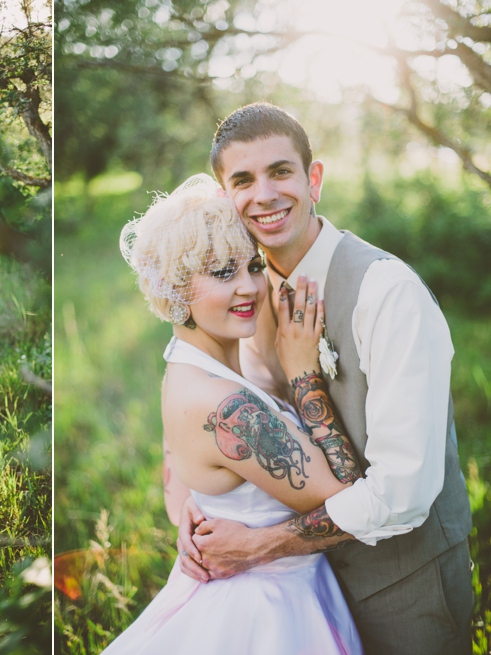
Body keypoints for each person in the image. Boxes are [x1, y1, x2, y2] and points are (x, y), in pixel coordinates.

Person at [176, 103, 473, 654]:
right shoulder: (244, 296)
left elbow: (403, 494)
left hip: (403, 588)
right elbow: (205, 410)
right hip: (305, 597)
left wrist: (260, 545)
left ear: (313, 179)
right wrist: (199, 514)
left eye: (280, 171)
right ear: (225, 199)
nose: (263, 195)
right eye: (243, 180)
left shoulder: (388, 293)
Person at [104, 173, 363, 654]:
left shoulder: (185, 361)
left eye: (252, 265)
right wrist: (304, 374)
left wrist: (193, 519)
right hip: (266, 614)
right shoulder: (224, 406)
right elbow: (351, 504)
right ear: (178, 287)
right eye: (223, 273)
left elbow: (176, 473)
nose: (249, 288)